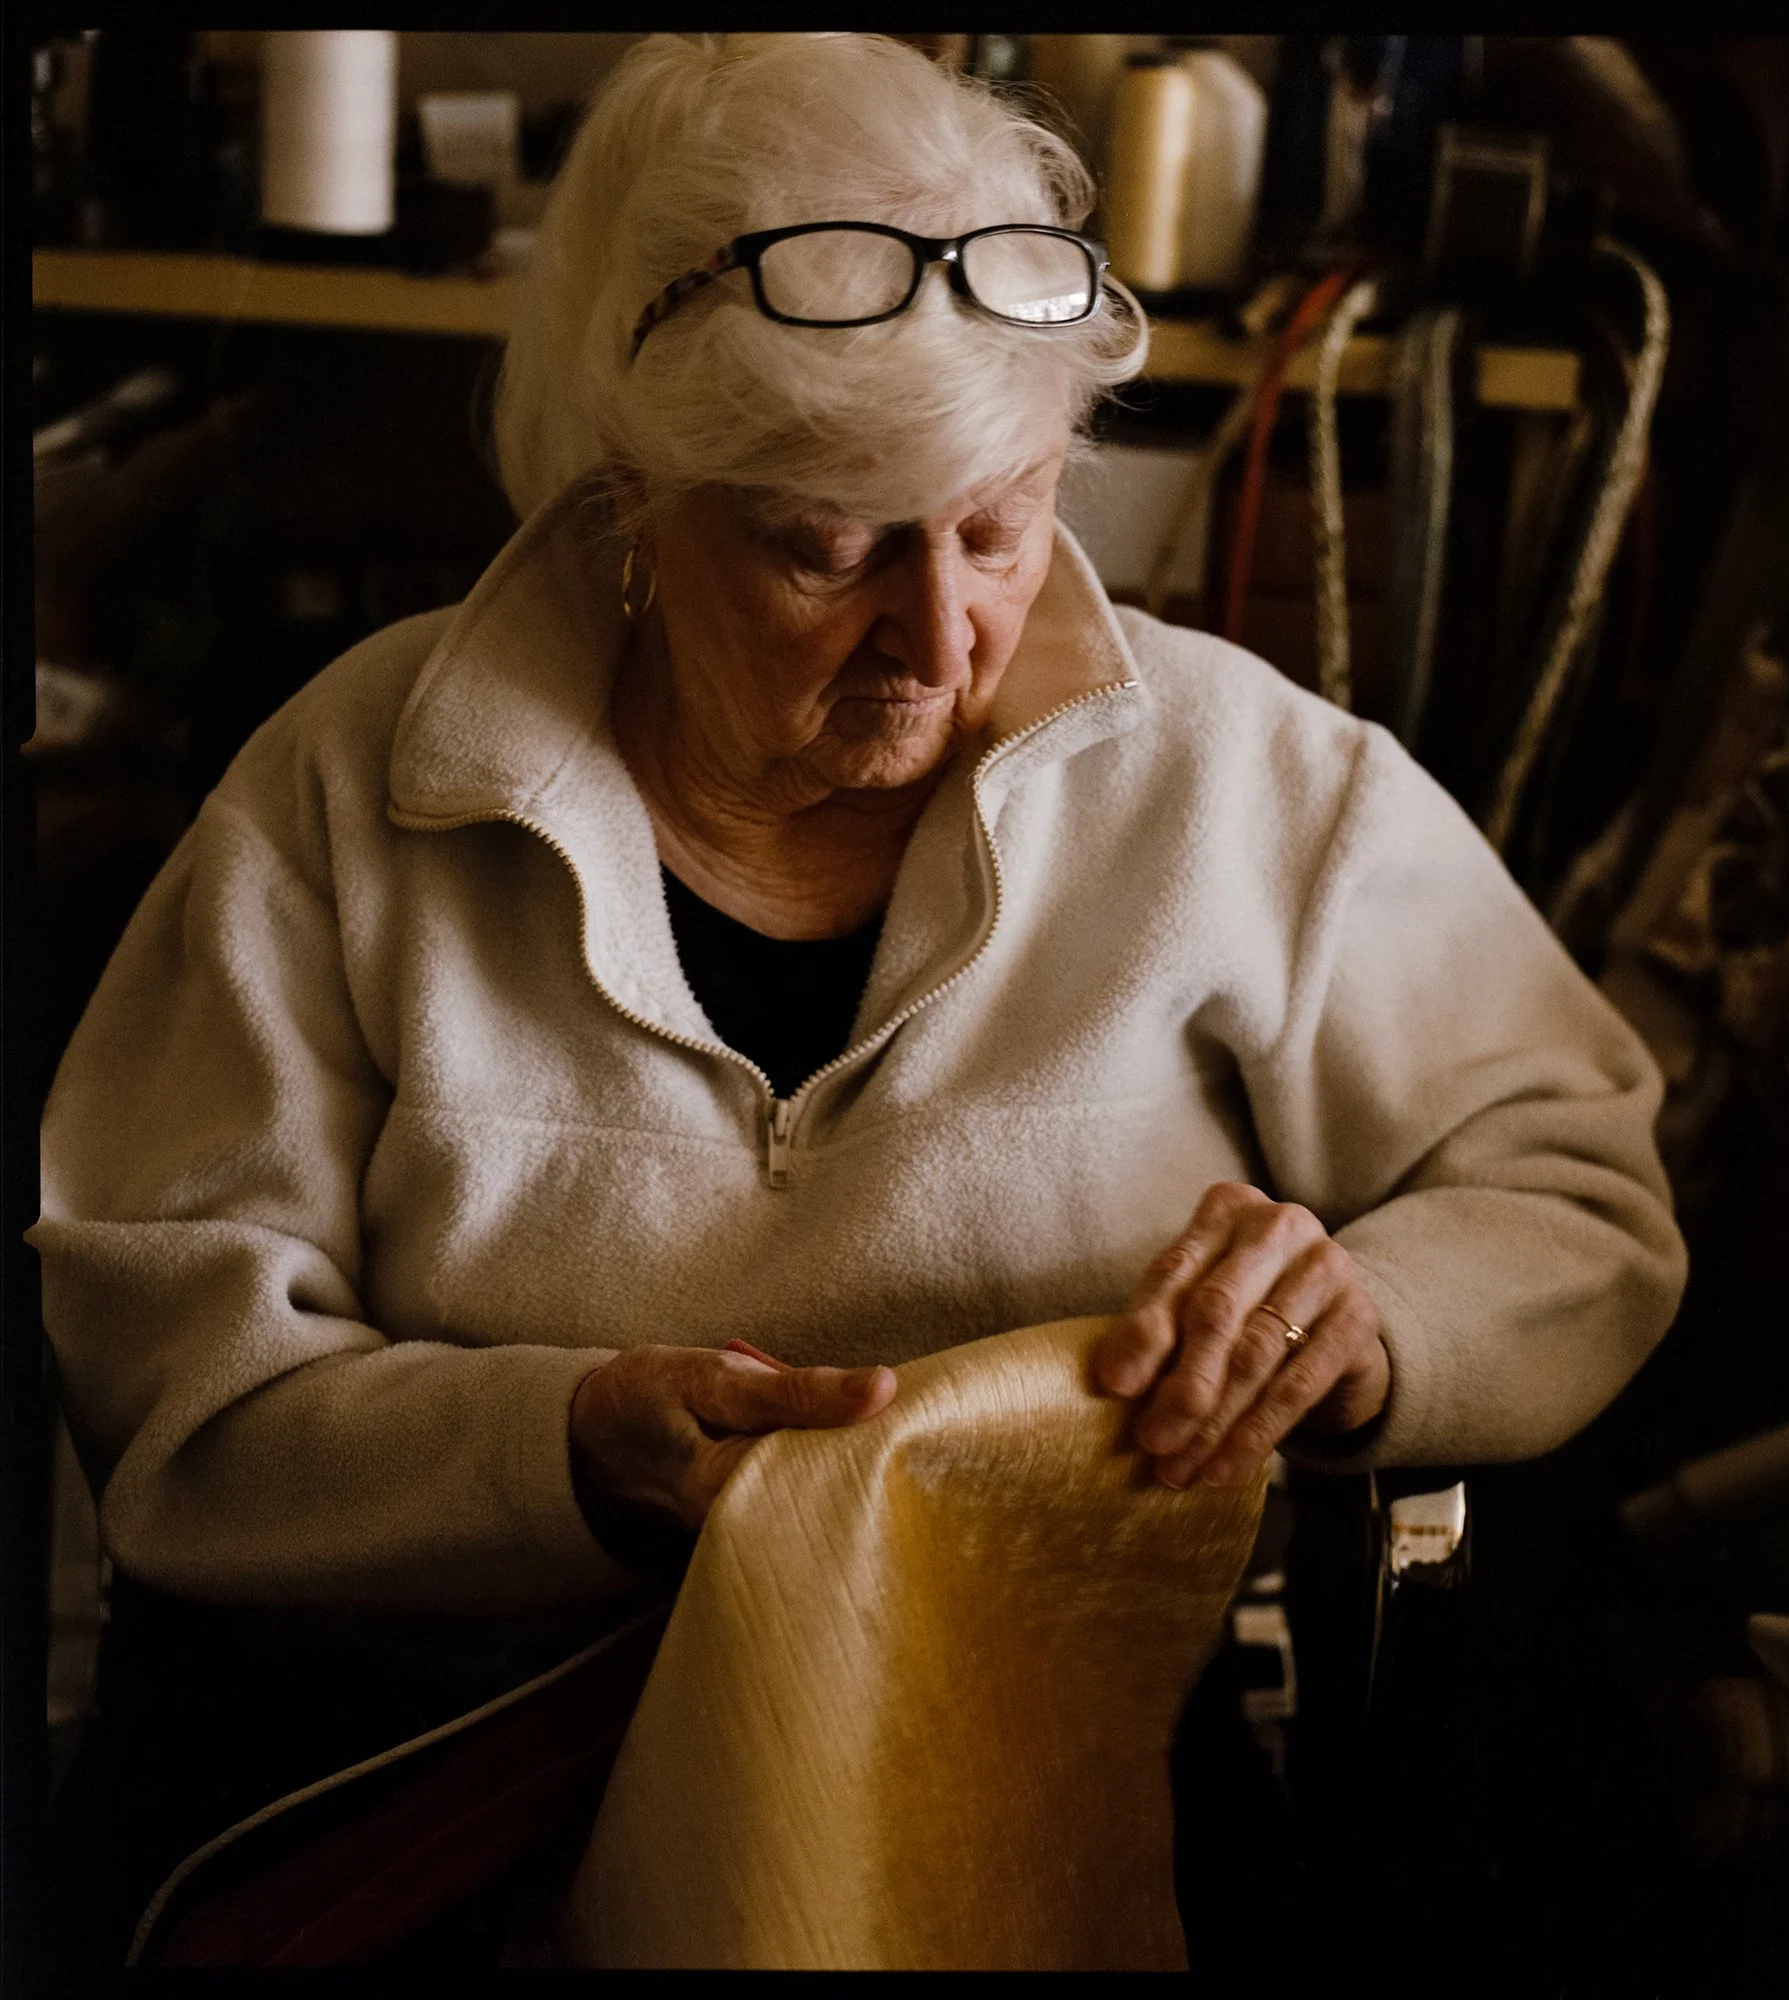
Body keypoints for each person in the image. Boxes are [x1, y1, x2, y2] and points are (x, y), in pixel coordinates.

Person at [34, 31, 1686, 1967]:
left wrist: (1365, 1320)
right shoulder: (356, 792)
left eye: (1000, 525)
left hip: (1035, 1758)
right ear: (637, 497)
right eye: (827, 549)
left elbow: (1575, 1193)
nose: (940, 634)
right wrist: (562, 1451)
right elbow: (180, 1393)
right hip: (459, 1772)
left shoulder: (1241, 788)